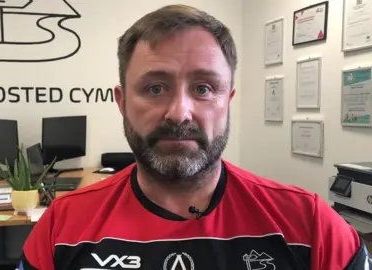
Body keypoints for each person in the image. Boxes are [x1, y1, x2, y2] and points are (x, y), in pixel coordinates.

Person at [18, 4, 371, 270]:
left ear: (228, 101)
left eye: (203, 88)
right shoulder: (62, 227)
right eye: (155, 88)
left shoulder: (309, 225)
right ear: (122, 102)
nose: (179, 112)